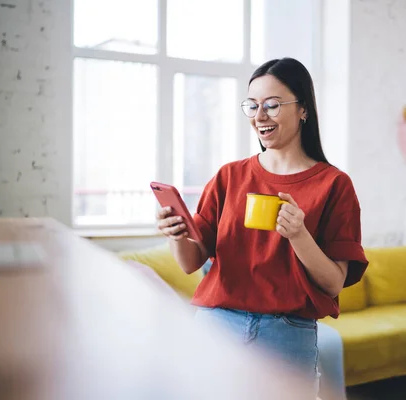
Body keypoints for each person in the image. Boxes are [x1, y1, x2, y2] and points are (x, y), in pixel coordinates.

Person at [156, 57, 368, 399]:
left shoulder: (334, 185)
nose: (259, 116)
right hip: (216, 326)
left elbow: (333, 284)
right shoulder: (229, 176)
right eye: (252, 106)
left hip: (287, 336)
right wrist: (177, 233)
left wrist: (299, 236)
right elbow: (190, 261)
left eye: (272, 105)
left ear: (303, 110)